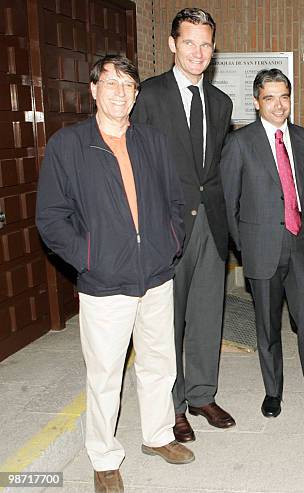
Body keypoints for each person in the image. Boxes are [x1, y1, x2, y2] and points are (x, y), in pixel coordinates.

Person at [36, 55, 193, 493]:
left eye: (128, 85)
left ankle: (158, 434)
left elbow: (175, 203)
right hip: (105, 284)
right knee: (106, 374)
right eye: (111, 83)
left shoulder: (153, 142)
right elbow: (50, 218)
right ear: (93, 90)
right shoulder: (68, 146)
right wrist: (89, 257)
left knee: (159, 365)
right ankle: (104, 455)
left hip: (157, 276)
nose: (119, 92)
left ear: (136, 94)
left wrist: (171, 241)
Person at [221, 68, 304, 418]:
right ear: (256, 101)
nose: (278, 106)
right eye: (269, 98)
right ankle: (273, 392)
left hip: (303, 247)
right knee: (267, 324)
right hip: (261, 249)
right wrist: (243, 246)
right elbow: (229, 204)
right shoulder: (239, 143)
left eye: (284, 97)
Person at [131, 8, 235, 440]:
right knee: (166, 322)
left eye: (205, 44)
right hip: (167, 226)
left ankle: (202, 394)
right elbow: (136, 164)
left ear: (213, 49)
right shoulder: (150, 96)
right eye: (189, 42)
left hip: (212, 224)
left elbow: (215, 170)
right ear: (173, 44)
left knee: (208, 314)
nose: (198, 51)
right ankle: (173, 406)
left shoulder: (221, 101)